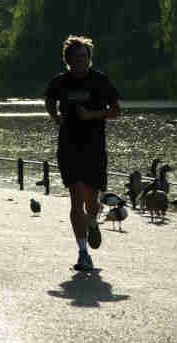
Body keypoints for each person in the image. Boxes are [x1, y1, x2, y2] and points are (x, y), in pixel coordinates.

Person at [45, 35, 120, 271]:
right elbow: (49, 100)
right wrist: (55, 117)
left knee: (92, 201)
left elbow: (116, 110)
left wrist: (92, 115)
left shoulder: (100, 81)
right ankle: (83, 253)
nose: (81, 61)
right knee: (76, 200)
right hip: (69, 147)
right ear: (68, 59)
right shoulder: (60, 82)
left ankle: (93, 223)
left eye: (84, 57)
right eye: (76, 57)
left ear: (89, 59)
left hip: (94, 148)